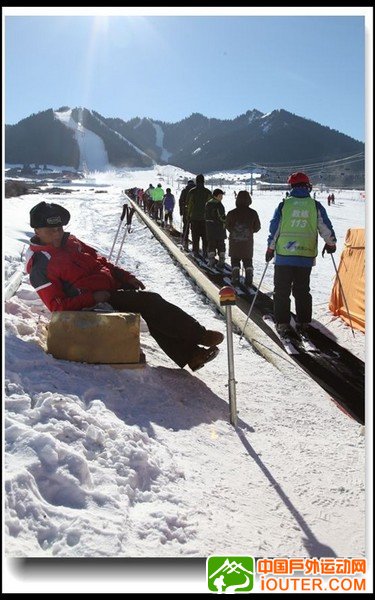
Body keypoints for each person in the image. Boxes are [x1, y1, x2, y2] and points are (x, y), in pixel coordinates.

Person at [26, 202, 224, 372]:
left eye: (59, 228)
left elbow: (100, 261)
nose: (57, 234)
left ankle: (192, 355)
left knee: (151, 308)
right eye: (50, 230)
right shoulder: (40, 265)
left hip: (108, 289)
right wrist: (95, 298)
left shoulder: (71, 242)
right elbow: (56, 306)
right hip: (91, 303)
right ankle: (200, 335)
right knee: (150, 301)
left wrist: (124, 277)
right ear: (37, 231)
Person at [265, 172, 337, 336]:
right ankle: (304, 322)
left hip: (284, 255)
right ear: (307, 186)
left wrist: (270, 248)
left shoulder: (284, 205)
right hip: (305, 256)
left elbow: (274, 228)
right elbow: (325, 227)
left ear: (292, 186)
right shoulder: (314, 205)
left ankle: (282, 323)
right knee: (302, 290)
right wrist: (331, 243)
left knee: (282, 290)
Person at [225, 190, 261, 286]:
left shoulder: (231, 213)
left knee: (235, 260)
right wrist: (249, 232)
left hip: (234, 241)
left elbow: (226, 225)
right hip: (247, 242)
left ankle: (235, 276)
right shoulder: (253, 213)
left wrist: (234, 231)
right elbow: (257, 227)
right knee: (248, 260)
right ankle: (249, 276)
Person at [186, 174, 212, 257]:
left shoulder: (192, 191)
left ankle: (196, 251)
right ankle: (205, 251)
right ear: (203, 181)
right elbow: (210, 206)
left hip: (194, 218)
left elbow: (190, 205)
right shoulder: (208, 192)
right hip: (205, 218)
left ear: (196, 181)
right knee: (205, 236)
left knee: (195, 235)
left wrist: (188, 215)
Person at [204, 189, 227, 269]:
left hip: (210, 228)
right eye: (220, 196)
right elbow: (222, 218)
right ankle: (221, 261)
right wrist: (227, 220)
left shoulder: (208, 203)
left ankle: (211, 261)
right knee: (221, 245)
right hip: (219, 229)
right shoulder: (219, 205)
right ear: (215, 196)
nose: (221, 197)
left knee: (211, 245)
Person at [179, 179, 195, 250]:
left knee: (186, 227)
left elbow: (181, 201)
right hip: (195, 213)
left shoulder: (184, 191)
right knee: (195, 229)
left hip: (186, 211)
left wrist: (181, 211)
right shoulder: (196, 190)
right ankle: (195, 244)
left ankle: (185, 242)